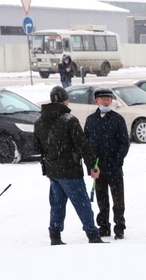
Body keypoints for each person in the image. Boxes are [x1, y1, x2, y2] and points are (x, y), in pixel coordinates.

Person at [33, 85, 103, 245]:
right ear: (65, 101)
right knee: (82, 204)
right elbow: (82, 146)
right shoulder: (69, 120)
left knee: (57, 204)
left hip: (52, 171)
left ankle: (55, 235)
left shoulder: (39, 122)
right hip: (70, 170)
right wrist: (93, 165)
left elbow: (37, 147)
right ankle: (93, 235)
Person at [84, 87, 131, 240]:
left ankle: (119, 227)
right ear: (96, 101)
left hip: (114, 168)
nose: (106, 101)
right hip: (98, 168)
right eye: (103, 99)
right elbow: (86, 145)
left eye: (108, 99)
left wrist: (117, 161)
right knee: (102, 200)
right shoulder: (91, 120)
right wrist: (91, 166)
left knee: (118, 201)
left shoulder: (117, 119)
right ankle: (103, 226)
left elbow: (124, 143)